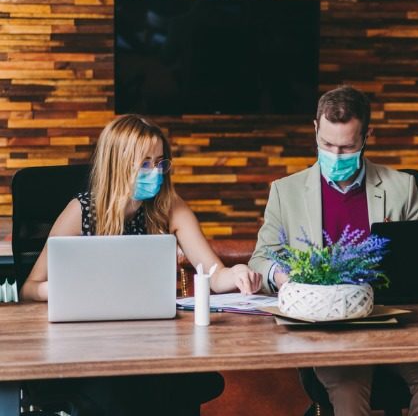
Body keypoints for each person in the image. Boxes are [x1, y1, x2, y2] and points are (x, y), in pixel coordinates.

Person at [21, 114, 262, 415]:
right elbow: (29, 288)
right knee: (120, 395)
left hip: (154, 341)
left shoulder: (169, 206)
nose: (156, 172)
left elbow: (213, 275)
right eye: (145, 163)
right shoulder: (80, 211)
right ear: (118, 164)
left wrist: (236, 274)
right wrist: (68, 289)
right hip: (92, 346)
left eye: (161, 162)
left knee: (171, 387)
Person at [249, 85, 418, 416]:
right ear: (315, 129)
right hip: (329, 328)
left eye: (347, 146)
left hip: (393, 321)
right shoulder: (286, 192)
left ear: (368, 135)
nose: (336, 155)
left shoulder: (403, 187)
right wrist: (284, 278)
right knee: (348, 389)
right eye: (327, 145)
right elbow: (261, 256)